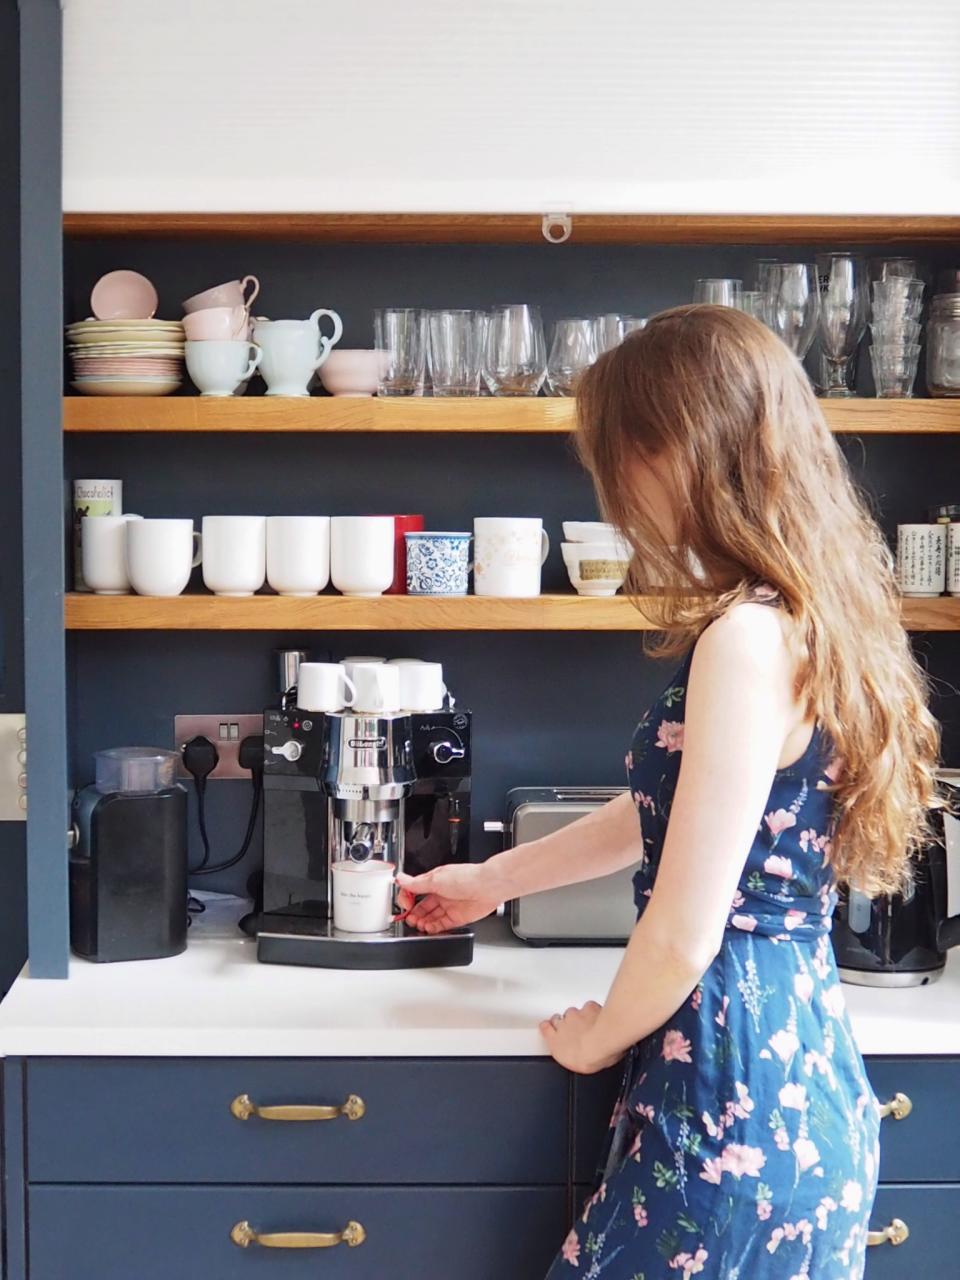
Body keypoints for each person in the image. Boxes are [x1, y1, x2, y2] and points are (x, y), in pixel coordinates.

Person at [397, 305, 940, 1279]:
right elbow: (678, 815)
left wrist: (599, 1033)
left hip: (729, 1110)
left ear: (679, 450)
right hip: (798, 1076)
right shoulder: (808, 617)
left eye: (621, 463)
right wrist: (493, 879)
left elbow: (688, 929)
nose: (619, 500)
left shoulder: (743, 638)